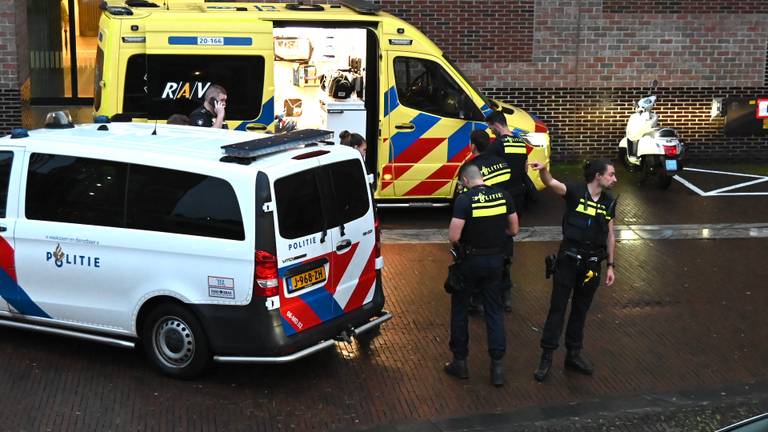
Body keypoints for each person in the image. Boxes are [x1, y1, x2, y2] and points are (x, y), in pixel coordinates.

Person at [528, 159, 617, 382]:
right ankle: (546, 356)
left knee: (581, 309)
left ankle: (573, 354)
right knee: (557, 308)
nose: (614, 179)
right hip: (568, 259)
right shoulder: (575, 192)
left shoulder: (608, 202)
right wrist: (544, 171)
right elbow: (551, 183)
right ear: (598, 175)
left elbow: (610, 234)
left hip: (592, 264)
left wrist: (611, 266)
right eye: (611, 175)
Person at [445, 163, 519, 387]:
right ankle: (497, 367)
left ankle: (460, 363)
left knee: (460, 309)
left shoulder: (464, 200)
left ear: (466, 181)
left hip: (470, 261)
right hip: (496, 261)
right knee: (494, 312)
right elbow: (514, 230)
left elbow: (454, 236)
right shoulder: (504, 196)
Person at [463, 130, 512, 315]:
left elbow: (465, 197)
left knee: (477, 263)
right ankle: (505, 298)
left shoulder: (471, 168)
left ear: (473, 146)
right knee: (504, 260)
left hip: (480, 222)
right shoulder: (503, 164)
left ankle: (477, 302)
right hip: (502, 219)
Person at [486, 111, 529, 311]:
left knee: (494, 239)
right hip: (518, 197)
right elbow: (525, 170)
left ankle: (495, 290)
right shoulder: (520, 144)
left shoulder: (496, 146)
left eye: (491, 127)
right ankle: (506, 293)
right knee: (508, 238)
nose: (491, 131)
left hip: (501, 197)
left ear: (496, 124)